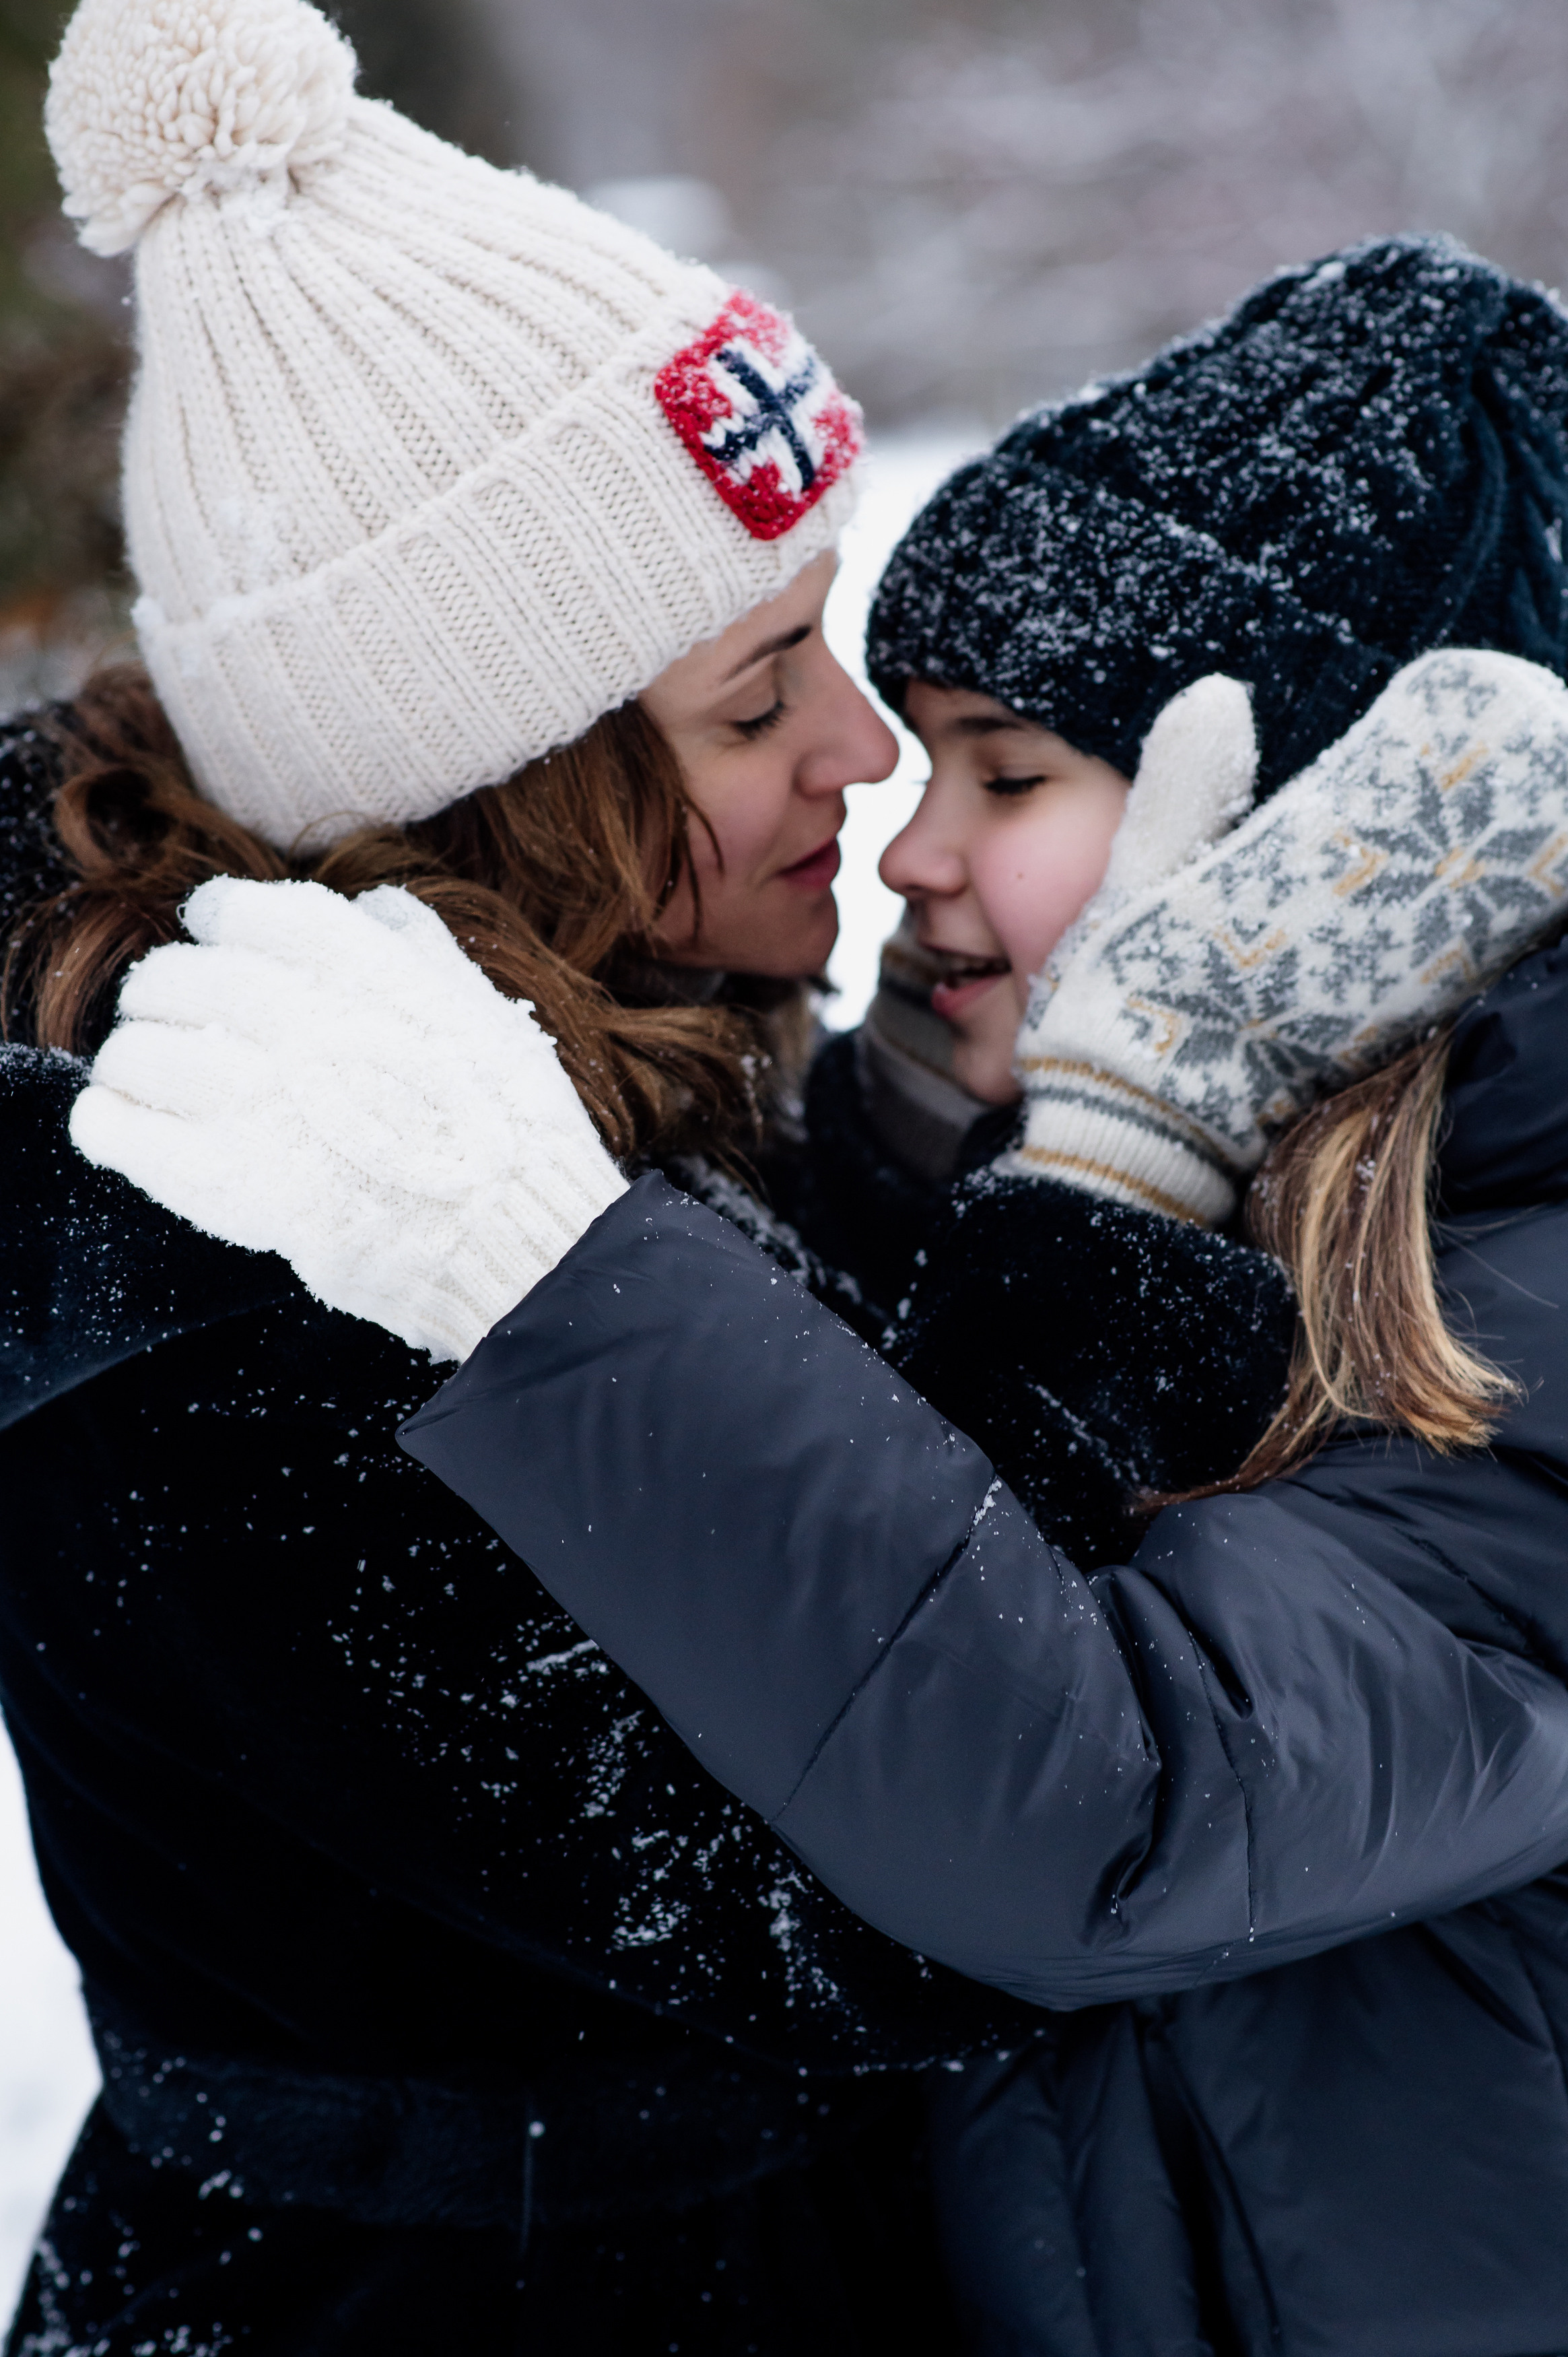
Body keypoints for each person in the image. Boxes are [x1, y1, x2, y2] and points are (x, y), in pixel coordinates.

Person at [85, 236, 1568, 2355]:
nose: (897, 834)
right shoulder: (1261, 1184)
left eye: (1007, 770)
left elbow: (1088, 1790)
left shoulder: (1509, 1312)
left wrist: (1105, 1141)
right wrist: (958, 1128)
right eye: (782, 697)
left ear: (1326, 849)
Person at [0, 0, 1087, 2349]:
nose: (862, 750)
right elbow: (918, 1885)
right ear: (511, 783)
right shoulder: (241, 1297)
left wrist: (933, 1129)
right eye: (755, 696)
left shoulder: (591, 1043)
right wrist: (1141, 1217)